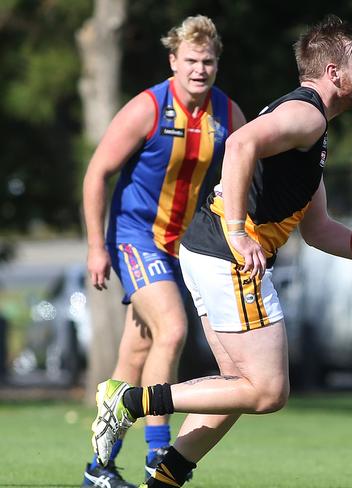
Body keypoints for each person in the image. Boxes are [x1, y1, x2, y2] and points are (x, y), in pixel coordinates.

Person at [88, 14, 352, 488]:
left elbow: (318, 229)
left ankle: (164, 481)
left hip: (207, 249)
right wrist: (240, 233)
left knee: (234, 389)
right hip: (227, 252)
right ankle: (131, 402)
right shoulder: (306, 114)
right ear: (334, 74)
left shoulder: (306, 125)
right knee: (267, 391)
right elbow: (239, 145)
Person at [81, 15, 246, 488]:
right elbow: (96, 174)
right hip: (135, 236)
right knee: (172, 329)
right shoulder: (148, 108)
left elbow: (251, 160)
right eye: (191, 60)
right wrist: (97, 246)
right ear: (173, 60)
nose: (200, 70)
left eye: (208, 61)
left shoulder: (226, 112)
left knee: (136, 354)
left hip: (184, 245)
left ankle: (99, 469)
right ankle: (159, 453)